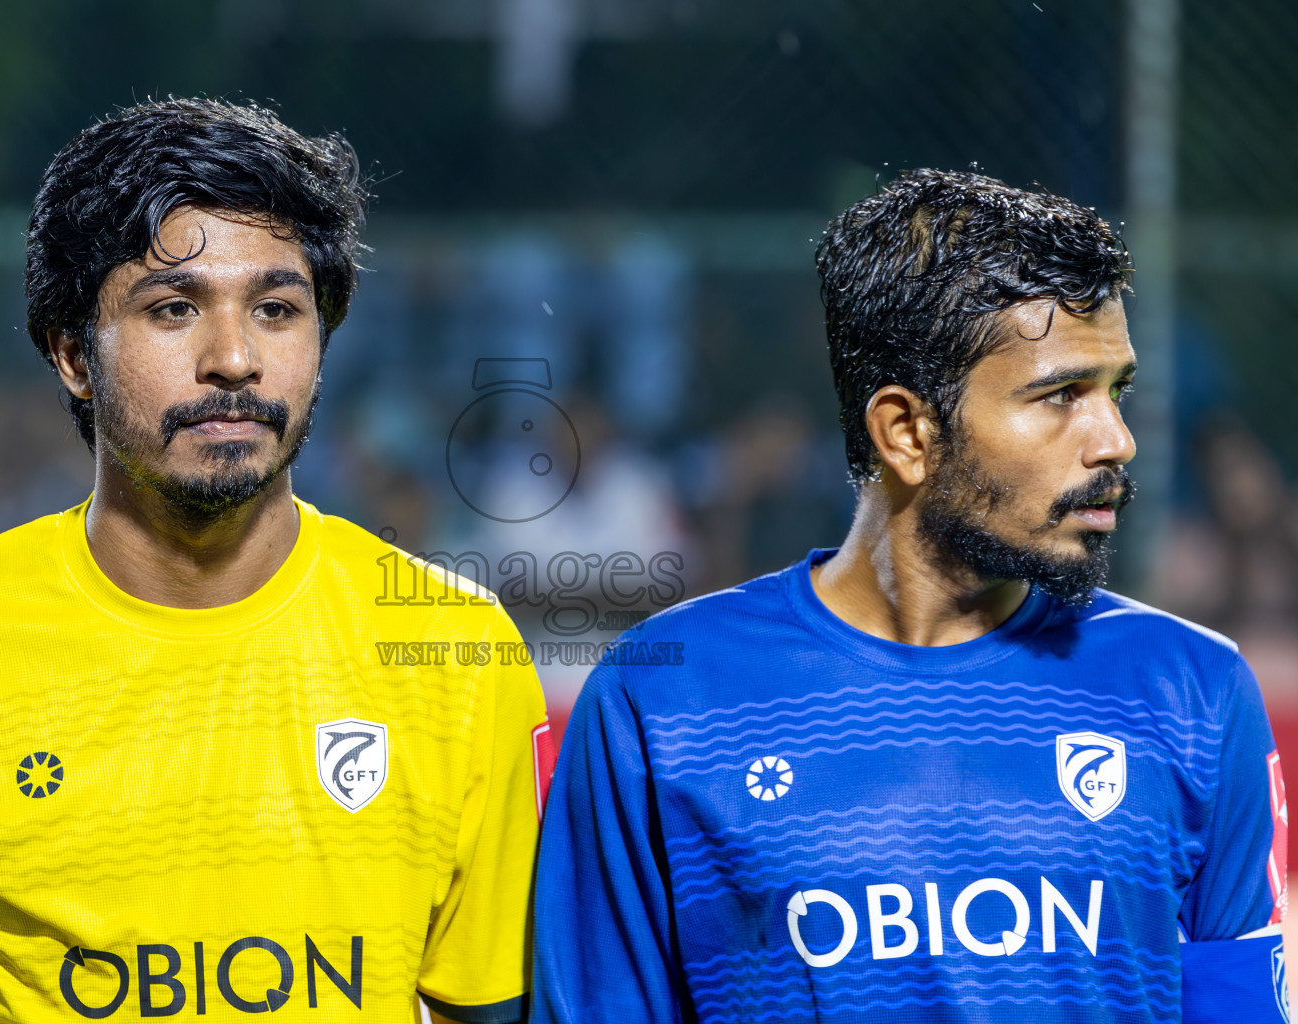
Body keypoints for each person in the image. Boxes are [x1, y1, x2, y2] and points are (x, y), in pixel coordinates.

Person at [0, 98, 547, 1024]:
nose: (233, 358)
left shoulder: (457, 652)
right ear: (72, 352)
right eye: (174, 307)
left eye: (275, 309)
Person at [532, 169, 1288, 1024]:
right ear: (907, 432)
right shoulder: (661, 701)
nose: (1116, 439)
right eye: (1060, 396)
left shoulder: (1192, 691)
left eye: (1116, 390)